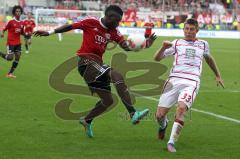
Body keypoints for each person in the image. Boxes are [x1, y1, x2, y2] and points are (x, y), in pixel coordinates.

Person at [34, 5, 157, 138]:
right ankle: (133, 113)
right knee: (116, 75)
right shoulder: (91, 22)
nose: (118, 23)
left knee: (108, 101)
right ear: (110, 17)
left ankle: (87, 120)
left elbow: (126, 47)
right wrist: (49, 32)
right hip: (86, 62)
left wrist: (144, 44)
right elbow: (70, 27)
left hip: (97, 65)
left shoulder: (114, 31)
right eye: (117, 20)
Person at [154, 18, 224, 152]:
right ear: (183, 29)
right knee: (159, 115)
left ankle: (171, 142)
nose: (189, 32)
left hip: (191, 82)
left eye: (192, 29)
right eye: (186, 29)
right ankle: (163, 126)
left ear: (197, 30)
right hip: (173, 81)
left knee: (181, 109)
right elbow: (157, 58)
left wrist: (218, 75)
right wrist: (163, 47)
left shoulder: (203, 44)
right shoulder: (176, 43)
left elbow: (209, 58)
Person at [0, 5, 24, 78]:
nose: (18, 12)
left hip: (18, 43)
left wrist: (27, 34)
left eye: (19, 11)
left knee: (18, 57)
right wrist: (2, 33)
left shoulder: (22, 23)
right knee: (10, 58)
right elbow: (3, 28)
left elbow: (22, 32)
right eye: (17, 11)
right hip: (11, 43)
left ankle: (10, 73)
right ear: (14, 12)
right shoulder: (11, 21)